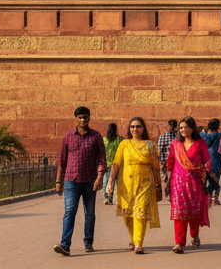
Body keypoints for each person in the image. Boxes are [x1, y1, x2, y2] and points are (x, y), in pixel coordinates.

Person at [54, 106, 106, 256]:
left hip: (90, 180)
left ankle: (88, 241)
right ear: (76, 119)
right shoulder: (68, 137)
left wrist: (99, 177)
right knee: (70, 212)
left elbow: (102, 158)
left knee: (89, 213)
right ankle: (65, 245)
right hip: (71, 180)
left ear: (89, 118)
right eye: (80, 117)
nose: (83, 120)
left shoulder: (96, 136)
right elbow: (62, 161)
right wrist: (58, 182)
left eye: (85, 117)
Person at [111, 116, 161, 254]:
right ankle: (133, 238)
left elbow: (156, 168)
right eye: (132, 126)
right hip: (126, 184)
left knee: (140, 213)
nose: (135, 129)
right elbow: (116, 163)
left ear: (143, 128)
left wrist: (158, 186)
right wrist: (110, 181)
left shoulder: (150, 145)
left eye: (138, 126)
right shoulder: (124, 144)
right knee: (128, 214)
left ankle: (138, 243)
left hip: (145, 184)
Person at [167, 116, 212, 254]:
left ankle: (194, 234)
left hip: (195, 184)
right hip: (178, 183)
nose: (182, 130)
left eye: (185, 127)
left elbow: (207, 161)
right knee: (180, 213)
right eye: (181, 128)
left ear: (192, 128)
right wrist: (168, 181)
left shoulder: (200, 143)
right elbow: (170, 163)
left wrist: (205, 173)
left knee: (193, 212)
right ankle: (179, 243)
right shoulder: (175, 144)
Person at [200, 119, 221, 205]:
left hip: (204, 163)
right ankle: (215, 199)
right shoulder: (220, 136)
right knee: (216, 182)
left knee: (205, 181)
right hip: (217, 162)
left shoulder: (202, 136)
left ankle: (207, 198)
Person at [157, 119, 178, 200]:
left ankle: (169, 194)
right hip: (171, 162)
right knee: (170, 179)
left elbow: (160, 150)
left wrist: (161, 162)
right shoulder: (178, 137)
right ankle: (169, 194)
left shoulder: (163, 137)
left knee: (168, 179)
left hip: (168, 162)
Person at [103, 123, 121, 206]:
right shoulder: (120, 140)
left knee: (107, 181)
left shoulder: (104, 140)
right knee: (117, 182)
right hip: (118, 163)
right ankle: (115, 197)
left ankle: (108, 197)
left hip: (107, 164)